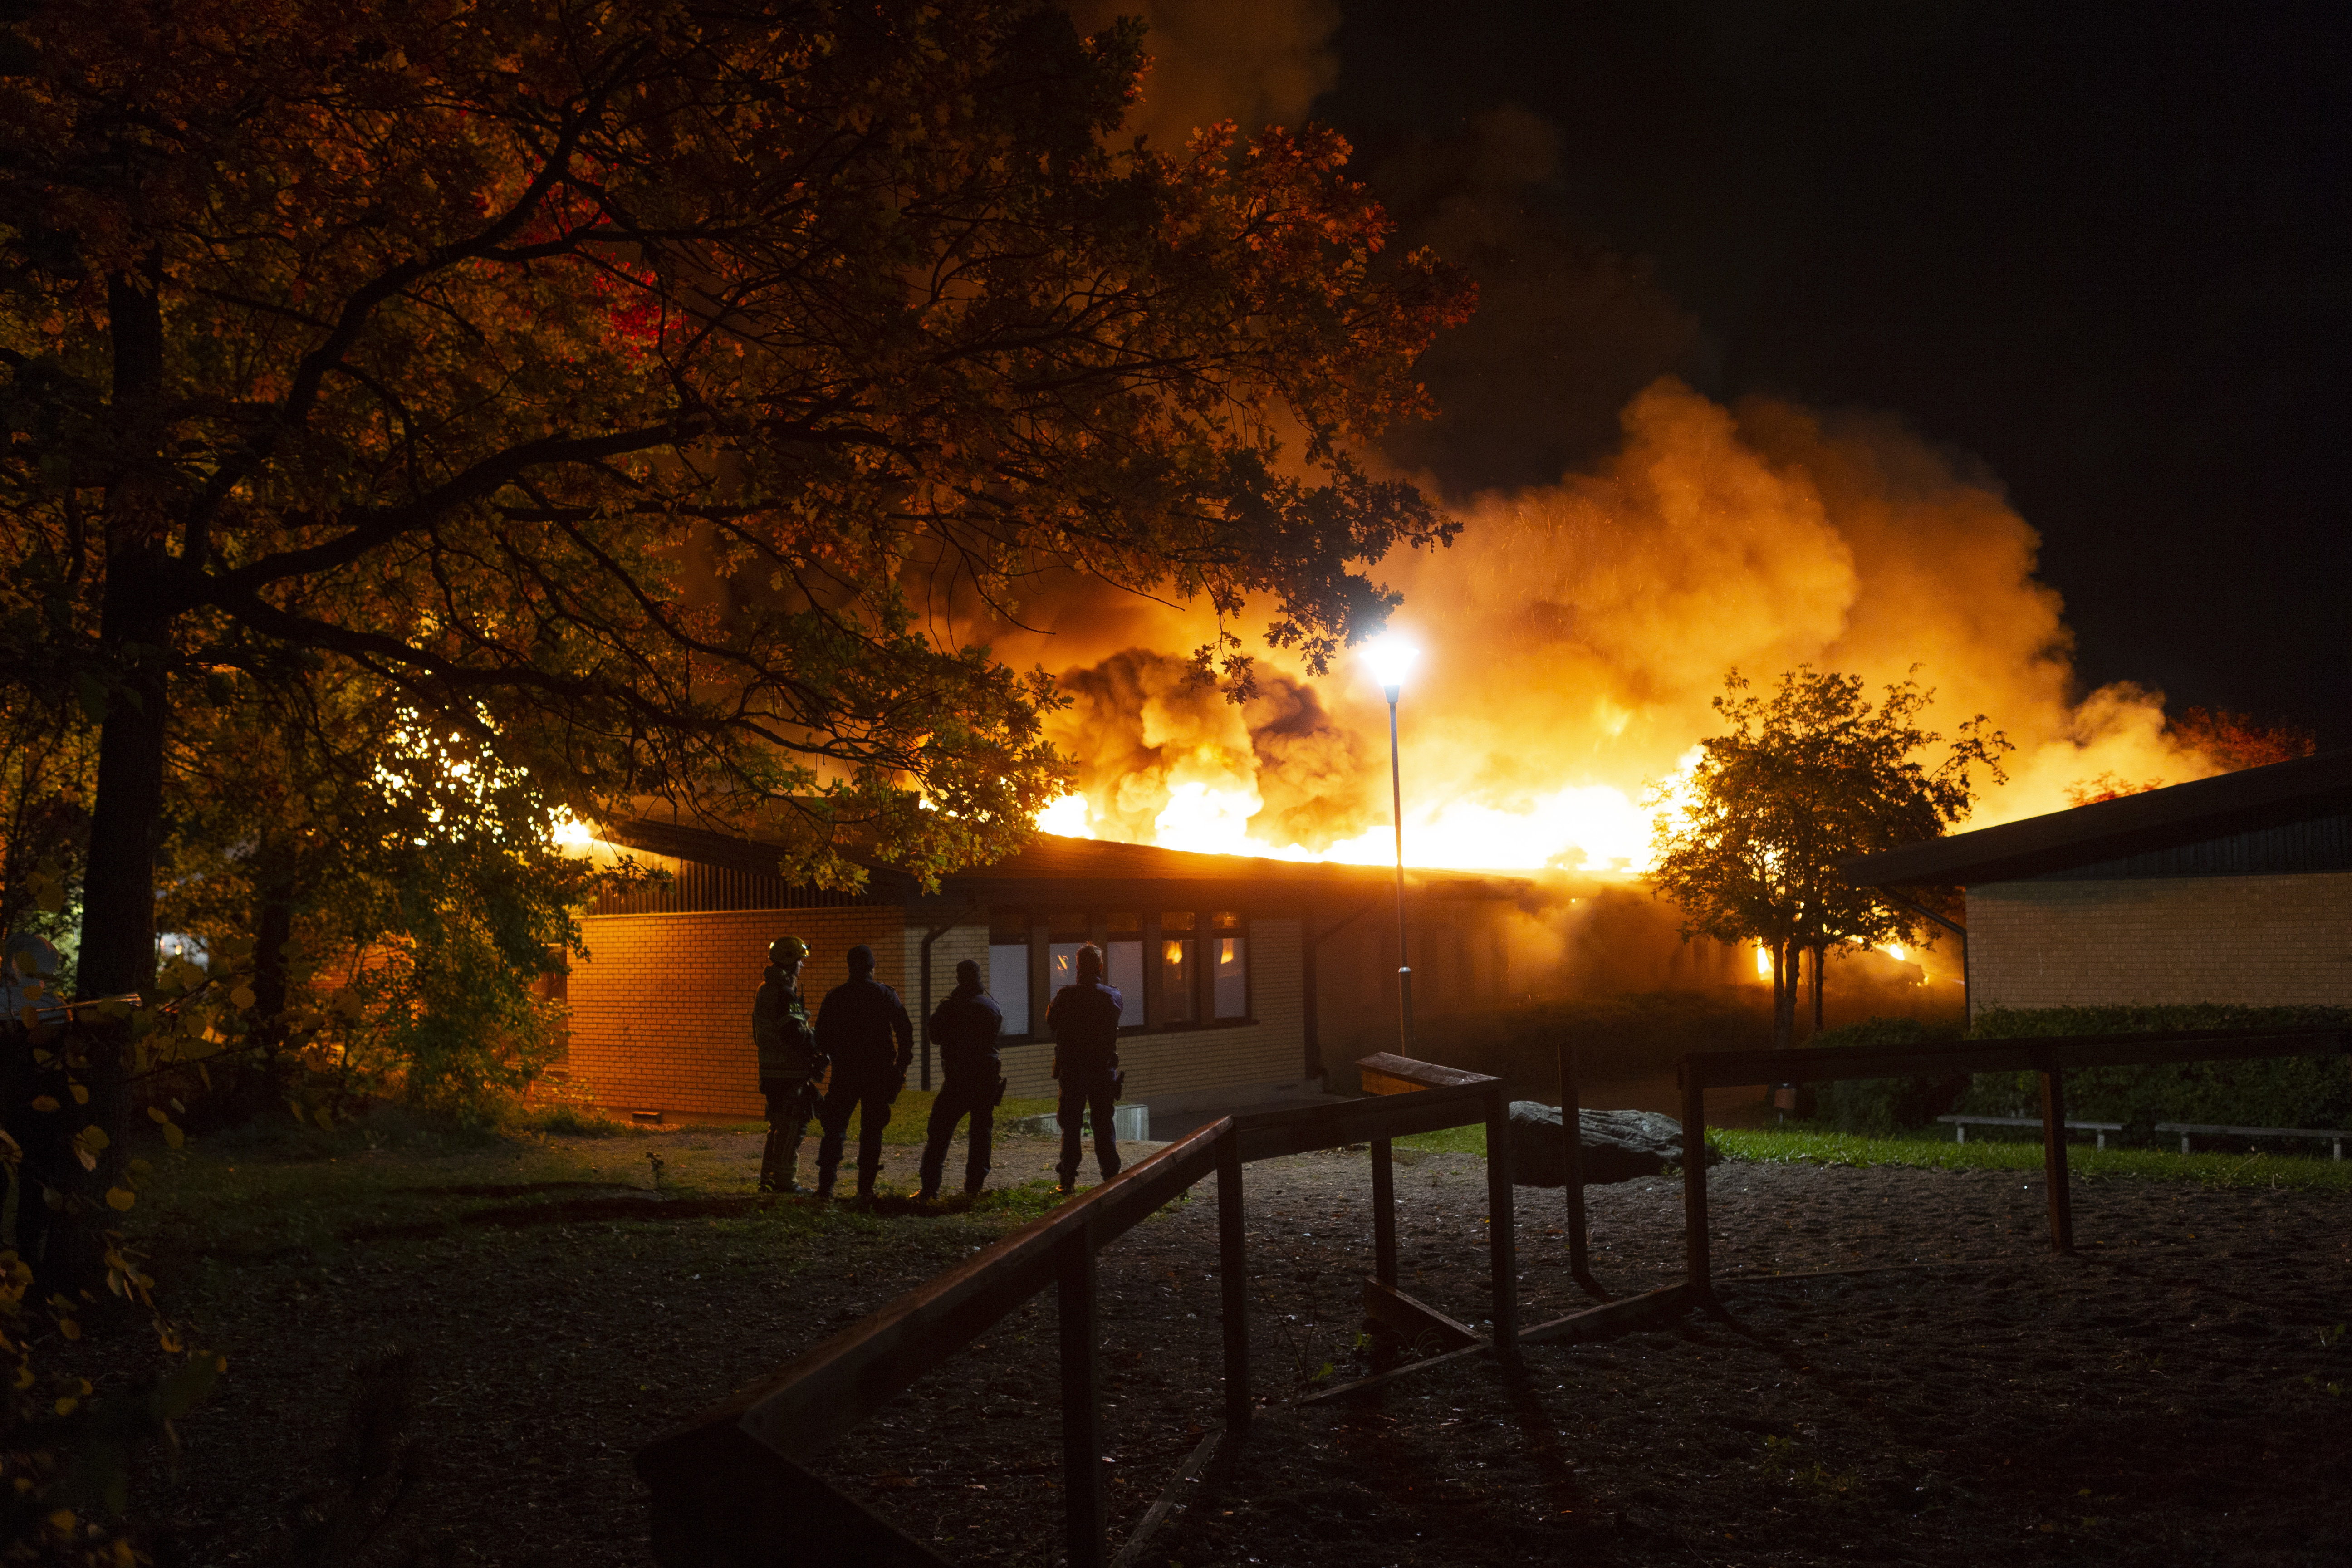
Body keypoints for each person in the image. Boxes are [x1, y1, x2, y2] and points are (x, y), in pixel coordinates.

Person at [812, 943, 914, 1200]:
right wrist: (900, 1067)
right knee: (872, 1132)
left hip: (845, 1072)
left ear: (849, 967)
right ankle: (865, 1190)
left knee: (834, 1129)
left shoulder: (836, 996)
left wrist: (823, 1062)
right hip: (878, 1073)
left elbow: (821, 1038)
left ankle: (826, 1188)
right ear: (873, 966)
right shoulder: (885, 995)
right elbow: (905, 1031)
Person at [917, 958, 1005, 1201]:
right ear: (978, 978)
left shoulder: (950, 1007)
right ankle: (973, 1188)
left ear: (959, 978)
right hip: (985, 1081)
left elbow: (934, 1036)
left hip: (957, 1081)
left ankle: (930, 1189)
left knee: (939, 1132)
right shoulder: (991, 1006)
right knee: (980, 1135)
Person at [1045, 942, 1123, 1192]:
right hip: (1101, 1071)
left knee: (1071, 1125)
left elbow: (1051, 1021)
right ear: (1101, 967)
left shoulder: (1066, 996)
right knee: (1103, 1123)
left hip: (1073, 1070)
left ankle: (1067, 1178)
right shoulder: (1112, 996)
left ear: (1077, 967)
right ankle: (1111, 1176)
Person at [750, 936, 821, 1193]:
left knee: (779, 1126)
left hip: (772, 1071)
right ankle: (784, 1183)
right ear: (790, 961)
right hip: (787, 1072)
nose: (802, 966)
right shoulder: (783, 992)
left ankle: (768, 1180)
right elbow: (794, 1034)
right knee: (793, 1126)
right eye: (800, 961)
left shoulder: (766, 989)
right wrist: (817, 1039)